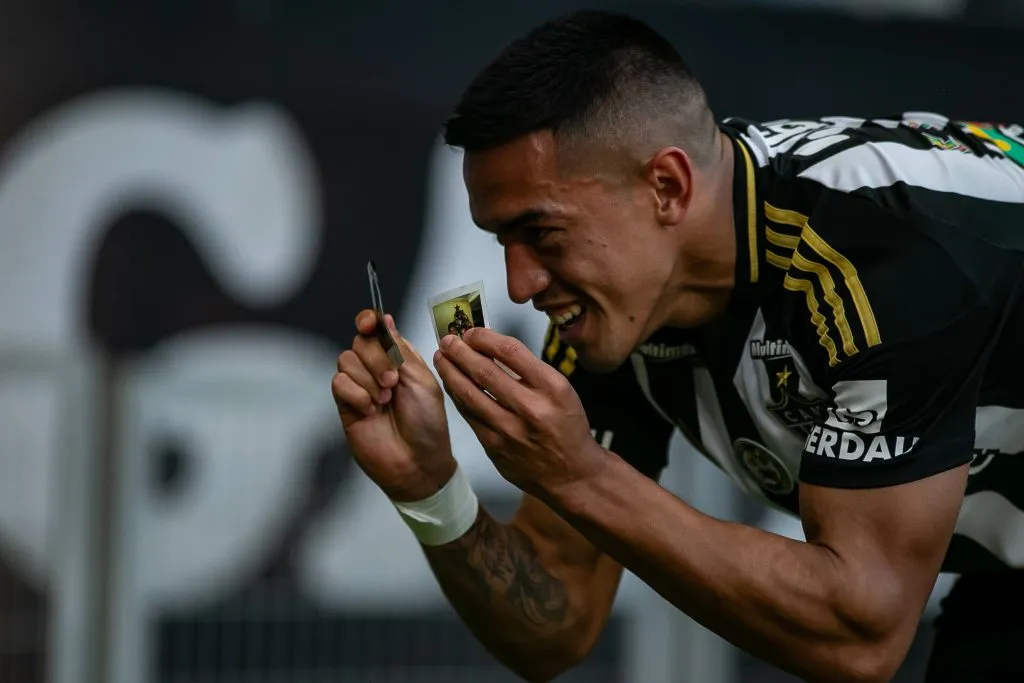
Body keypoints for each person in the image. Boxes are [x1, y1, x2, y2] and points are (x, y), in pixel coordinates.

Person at [331, 10, 1024, 683]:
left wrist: (582, 474)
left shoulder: (884, 263)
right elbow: (557, 624)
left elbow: (861, 634)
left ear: (666, 186)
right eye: (500, 240)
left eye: (540, 233)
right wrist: (429, 487)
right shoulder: (621, 310)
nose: (519, 286)